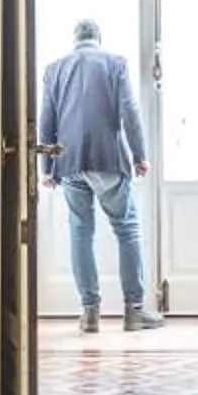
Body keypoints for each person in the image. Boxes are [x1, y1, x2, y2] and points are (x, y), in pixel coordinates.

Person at [39, 18, 161, 332]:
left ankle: (89, 313)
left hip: (69, 161)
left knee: (81, 232)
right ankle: (134, 311)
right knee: (126, 228)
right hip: (108, 158)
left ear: (75, 39)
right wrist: (139, 155)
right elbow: (129, 111)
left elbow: (46, 119)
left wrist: (47, 168)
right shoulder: (115, 63)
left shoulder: (55, 69)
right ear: (98, 38)